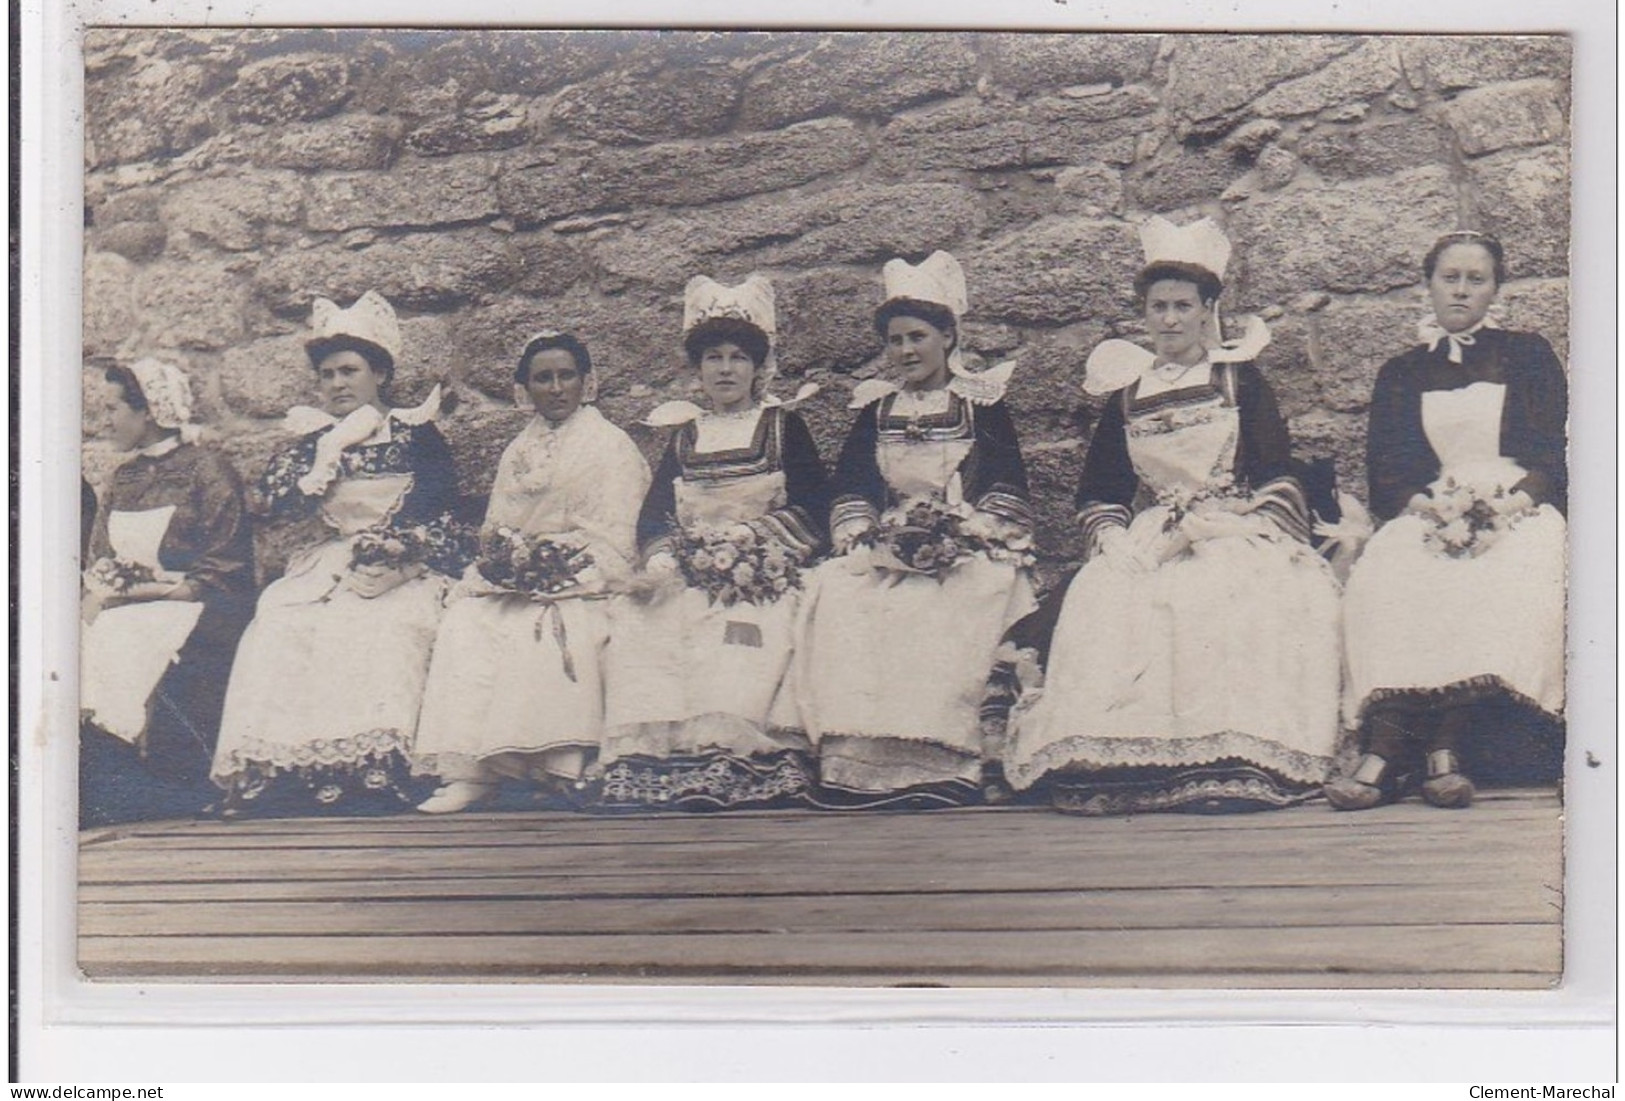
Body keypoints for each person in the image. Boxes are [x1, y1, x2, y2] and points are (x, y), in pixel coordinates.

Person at [1000, 217, 1341, 815]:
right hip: (1155, 530)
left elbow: (1276, 472)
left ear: (1209, 308)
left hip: (1234, 524)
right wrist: (1110, 535)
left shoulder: (1239, 379)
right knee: (1109, 598)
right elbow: (1101, 490)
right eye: (1158, 307)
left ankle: (1232, 750)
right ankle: (1125, 753)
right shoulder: (1128, 393)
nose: (1170, 320)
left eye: (1184, 305)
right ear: (1144, 312)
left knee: (1226, 596)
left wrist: (1239, 522)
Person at [1328, 231, 1567, 810]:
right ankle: (1384, 750)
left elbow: (1550, 457)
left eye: (1475, 280)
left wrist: (1508, 505)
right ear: (1429, 284)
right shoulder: (1404, 372)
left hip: (1518, 504)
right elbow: (1389, 472)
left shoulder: (1527, 353)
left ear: (1495, 290)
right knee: (1392, 570)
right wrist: (1429, 508)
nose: (1461, 290)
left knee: (1496, 576)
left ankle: (1445, 750)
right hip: (1434, 503)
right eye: (1449, 278)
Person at [794, 251, 1036, 808]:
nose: (906, 351)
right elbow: (852, 487)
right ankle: (861, 760)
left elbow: (1005, 484)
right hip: (891, 544)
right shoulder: (875, 411)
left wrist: (966, 532)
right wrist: (867, 536)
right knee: (841, 593)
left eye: (918, 337)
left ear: (948, 337)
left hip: (966, 540)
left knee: (962, 598)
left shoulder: (981, 406)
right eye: (896, 340)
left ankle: (950, 755)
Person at [211, 291, 459, 816]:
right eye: (327, 375)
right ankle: (279, 770)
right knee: (278, 622)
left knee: (378, 625)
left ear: (381, 376)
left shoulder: (417, 434)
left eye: (350, 371)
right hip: (331, 560)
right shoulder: (315, 439)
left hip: (403, 563)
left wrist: (396, 551)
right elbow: (272, 500)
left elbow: (438, 506)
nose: (338, 384)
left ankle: (370, 769)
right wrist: (320, 460)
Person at [598, 274, 829, 811]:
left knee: (739, 640)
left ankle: (732, 758)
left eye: (737, 358)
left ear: (757, 367)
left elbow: (815, 508)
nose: (726, 369)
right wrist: (664, 561)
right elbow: (655, 517)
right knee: (644, 624)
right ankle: (656, 760)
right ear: (697, 370)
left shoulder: (781, 427)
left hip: (763, 573)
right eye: (713, 358)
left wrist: (752, 545)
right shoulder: (685, 435)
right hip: (692, 570)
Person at [412, 331, 650, 814]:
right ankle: (473, 772)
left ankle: (554, 763)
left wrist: (560, 566)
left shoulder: (610, 445)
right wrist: (510, 560)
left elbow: (618, 532)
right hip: (523, 572)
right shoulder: (518, 450)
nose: (557, 388)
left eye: (567, 376)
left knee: (548, 626)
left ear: (586, 382)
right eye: (544, 378)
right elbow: (497, 528)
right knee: (468, 622)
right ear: (526, 388)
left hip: (586, 575)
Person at [80, 358, 254, 826]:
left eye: (114, 408)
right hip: (126, 604)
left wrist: (171, 590)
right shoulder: (123, 479)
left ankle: (161, 782)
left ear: (149, 412)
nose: (106, 420)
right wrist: (112, 589)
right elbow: (100, 554)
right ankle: (102, 778)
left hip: (190, 603)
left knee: (131, 637)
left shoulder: (206, 470)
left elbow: (227, 555)